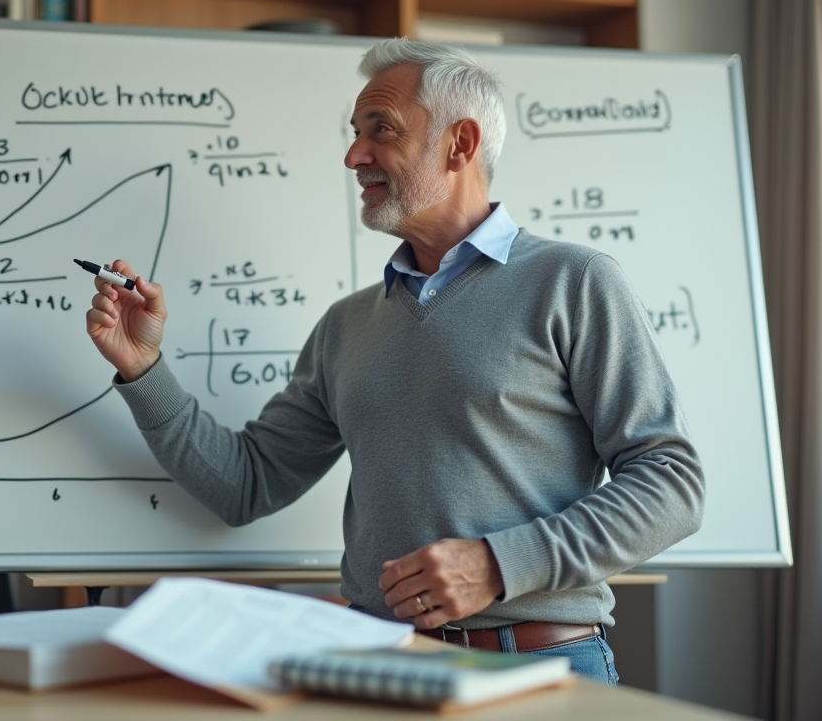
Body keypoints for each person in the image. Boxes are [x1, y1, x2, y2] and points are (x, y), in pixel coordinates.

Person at [83, 39, 705, 685]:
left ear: (460, 145)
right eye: (355, 135)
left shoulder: (574, 282)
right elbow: (246, 484)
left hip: (540, 666)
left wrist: (499, 565)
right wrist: (143, 369)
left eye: (380, 131)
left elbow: (672, 483)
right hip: (379, 668)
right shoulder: (346, 327)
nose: (354, 156)